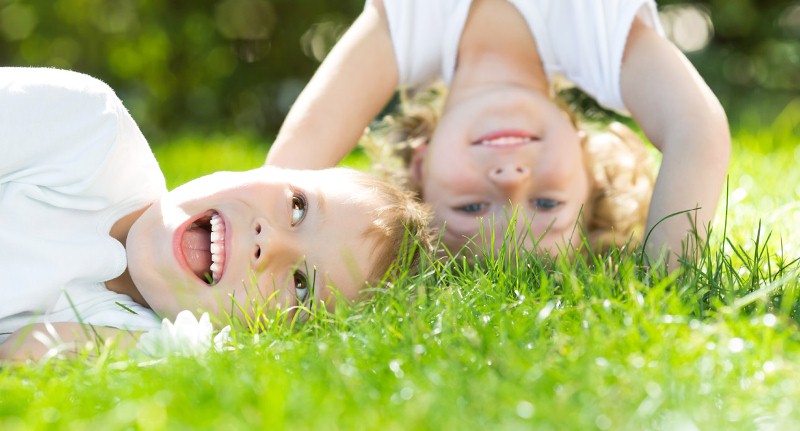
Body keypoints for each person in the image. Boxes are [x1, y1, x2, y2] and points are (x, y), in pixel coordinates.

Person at [0, 67, 431, 361]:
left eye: (301, 288)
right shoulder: (88, 128)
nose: (272, 244)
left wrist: (172, 348)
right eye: (297, 207)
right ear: (273, 168)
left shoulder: (137, 334)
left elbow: (26, 353)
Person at [266, 0, 731, 266]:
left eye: (472, 207)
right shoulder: (591, 30)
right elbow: (698, 130)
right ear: (587, 163)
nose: (511, 178)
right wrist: (664, 282)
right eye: (547, 204)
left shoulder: (409, 28)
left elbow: (280, 180)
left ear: (422, 167)